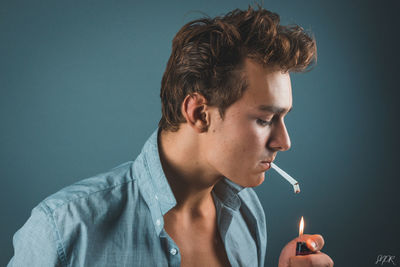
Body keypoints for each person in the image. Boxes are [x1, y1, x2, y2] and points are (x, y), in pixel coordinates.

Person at [8, 6, 333, 267]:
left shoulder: (248, 213)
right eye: (264, 119)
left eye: (283, 118)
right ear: (199, 113)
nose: (284, 142)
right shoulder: (63, 230)